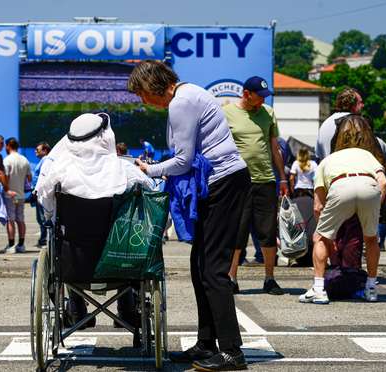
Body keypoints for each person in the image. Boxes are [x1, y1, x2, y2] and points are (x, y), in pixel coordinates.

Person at [128, 61, 249, 371]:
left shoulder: (180, 102)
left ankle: (232, 352)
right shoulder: (188, 93)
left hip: (225, 182)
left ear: (154, 86)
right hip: (220, 182)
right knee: (199, 266)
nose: (144, 102)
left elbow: (182, 161)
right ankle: (206, 343)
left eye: (142, 94)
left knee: (213, 270)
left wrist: (149, 169)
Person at [36, 112, 155, 329]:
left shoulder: (59, 173)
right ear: (104, 137)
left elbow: (47, 210)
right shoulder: (126, 171)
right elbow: (150, 197)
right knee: (124, 239)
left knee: (67, 237)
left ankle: (76, 310)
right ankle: (127, 310)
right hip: (121, 261)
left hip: (75, 263)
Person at [300, 114, 386, 304]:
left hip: (340, 186)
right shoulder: (368, 155)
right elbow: (383, 181)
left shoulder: (328, 160)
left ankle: (319, 289)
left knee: (320, 238)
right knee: (371, 239)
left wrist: (326, 234)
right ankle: (371, 288)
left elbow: (318, 206)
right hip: (369, 186)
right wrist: (375, 205)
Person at [224, 76, 287, 296]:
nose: (262, 101)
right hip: (237, 182)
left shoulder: (268, 113)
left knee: (267, 232)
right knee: (237, 231)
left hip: (266, 180)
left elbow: (275, 148)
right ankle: (231, 278)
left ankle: (269, 278)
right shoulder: (227, 113)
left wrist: (283, 177)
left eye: (264, 97)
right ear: (246, 94)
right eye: (258, 97)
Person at [315, 88, 363, 162]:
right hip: (350, 171)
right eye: (360, 103)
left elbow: (318, 156)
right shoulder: (357, 123)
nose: (363, 105)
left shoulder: (325, 124)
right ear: (353, 105)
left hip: (328, 171)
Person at [3, 137, 32, 253]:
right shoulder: (24, 160)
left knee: (11, 219)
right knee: (20, 219)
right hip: (21, 194)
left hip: (10, 193)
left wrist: (7, 188)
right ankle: (21, 244)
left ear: (8, 146)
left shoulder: (7, 160)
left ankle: (11, 245)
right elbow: (29, 178)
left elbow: (5, 177)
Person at [32, 142, 50, 247]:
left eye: (37, 150)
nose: (35, 151)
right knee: (40, 218)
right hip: (39, 193)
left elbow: (44, 177)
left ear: (45, 151)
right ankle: (43, 238)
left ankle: (44, 239)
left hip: (41, 193)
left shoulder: (46, 160)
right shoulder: (43, 161)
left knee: (43, 218)